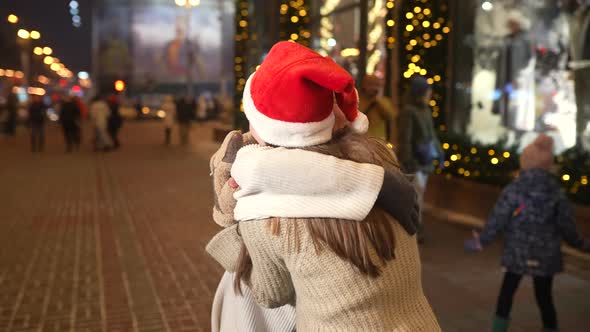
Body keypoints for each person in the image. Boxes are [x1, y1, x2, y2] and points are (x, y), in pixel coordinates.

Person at [207, 41, 440, 331]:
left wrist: (231, 230)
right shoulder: (381, 159)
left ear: (264, 127)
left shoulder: (264, 211)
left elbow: (270, 294)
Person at [464, 134, 590, 332]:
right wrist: (581, 244)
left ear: (525, 162)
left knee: (507, 292)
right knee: (544, 296)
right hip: (545, 254)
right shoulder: (556, 192)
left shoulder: (514, 189)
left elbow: (498, 218)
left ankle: (499, 329)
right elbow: (567, 226)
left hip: (517, 252)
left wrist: (482, 240)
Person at [398, 76, 444, 241]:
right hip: (416, 162)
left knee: (419, 194)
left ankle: (416, 226)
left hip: (425, 160)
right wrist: (408, 160)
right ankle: (414, 228)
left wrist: (439, 153)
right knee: (416, 195)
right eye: (427, 90)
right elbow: (405, 138)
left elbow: (431, 135)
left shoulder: (425, 109)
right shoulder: (409, 111)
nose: (430, 93)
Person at [359, 74, 397, 142]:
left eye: (377, 85)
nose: (374, 88)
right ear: (364, 85)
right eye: (370, 84)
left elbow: (391, 115)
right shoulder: (358, 101)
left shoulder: (383, 102)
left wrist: (376, 101)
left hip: (378, 140)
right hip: (361, 140)